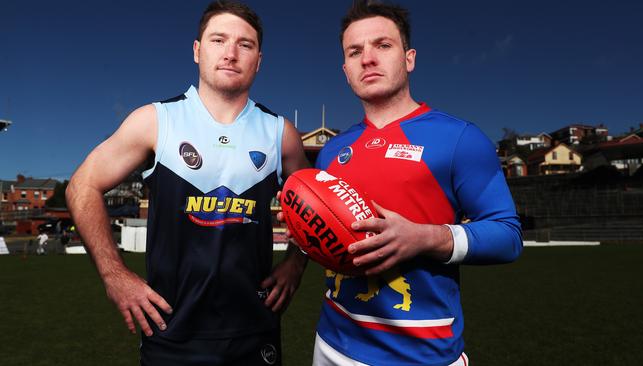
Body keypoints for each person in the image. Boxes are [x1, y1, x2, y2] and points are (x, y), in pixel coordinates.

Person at [66, 1, 309, 365]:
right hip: (171, 334)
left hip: (254, 333)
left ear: (259, 60)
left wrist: (296, 262)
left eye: (245, 44)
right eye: (218, 40)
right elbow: (81, 186)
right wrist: (114, 275)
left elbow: (320, 205)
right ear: (197, 50)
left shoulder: (280, 134)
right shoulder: (156, 121)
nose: (230, 53)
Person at [311, 2, 523, 365]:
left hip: (421, 353)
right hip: (332, 340)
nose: (368, 59)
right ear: (345, 70)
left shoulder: (459, 138)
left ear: (408, 58)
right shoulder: (332, 151)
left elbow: (508, 236)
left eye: (383, 45)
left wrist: (423, 237)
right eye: (355, 51)